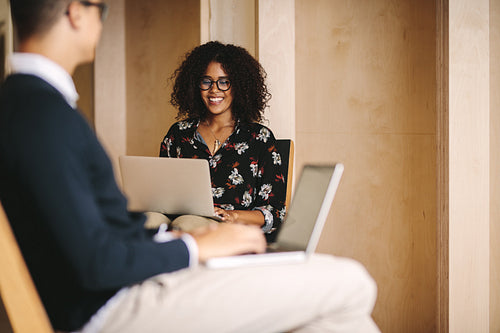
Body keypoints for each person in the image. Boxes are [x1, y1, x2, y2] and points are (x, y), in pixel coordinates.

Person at [0, 0, 380, 332]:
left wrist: (199, 239)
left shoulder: (30, 107)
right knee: (353, 281)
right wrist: (194, 245)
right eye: (102, 9)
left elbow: (91, 237)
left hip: (128, 283)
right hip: (113, 305)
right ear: (76, 12)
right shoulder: (43, 117)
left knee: (339, 316)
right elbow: (96, 261)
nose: (102, 21)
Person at [160, 41, 286, 238]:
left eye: (224, 82)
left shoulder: (259, 138)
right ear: (196, 84)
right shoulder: (179, 134)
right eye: (206, 81)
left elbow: (274, 213)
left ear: (239, 86)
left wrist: (232, 215)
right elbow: (160, 193)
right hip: (178, 219)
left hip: (229, 229)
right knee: (148, 220)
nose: (214, 90)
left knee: (185, 225)